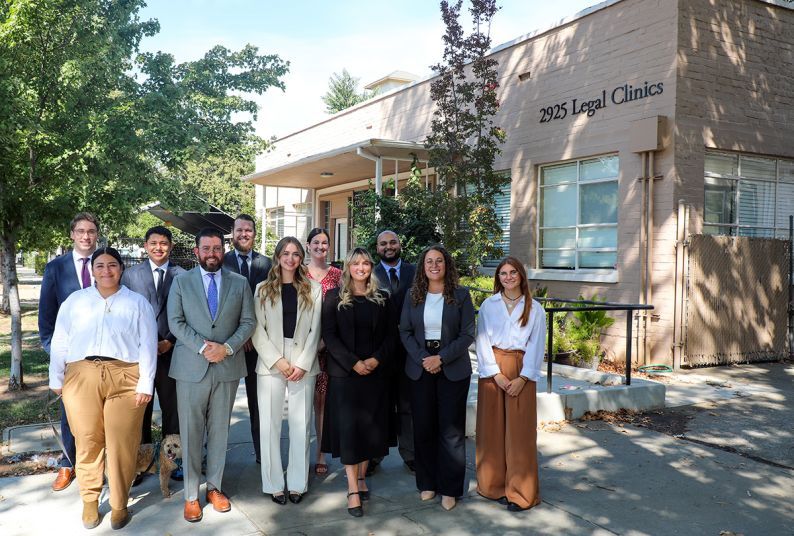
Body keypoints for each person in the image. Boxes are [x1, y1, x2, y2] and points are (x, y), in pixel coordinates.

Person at [49, 247, 157, 530]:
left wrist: (146, 382)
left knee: (122, 442)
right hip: (81, 375)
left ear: (121, 268)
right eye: (100, 265)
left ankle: (120, 503)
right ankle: (89, 500)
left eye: (112, 265)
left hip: (126, 376)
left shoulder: (137, 303)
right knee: (87, 440)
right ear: (92, 269)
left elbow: (148, 346)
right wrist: (56, 378)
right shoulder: (76, 301)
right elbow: (61, 339)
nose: (106, 270)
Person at [167, 228, 255, 523]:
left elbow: (248, 322)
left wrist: (227, 348)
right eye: (206, 249)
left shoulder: (240, 283)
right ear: (197, 252)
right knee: (191, 431)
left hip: (227, 367)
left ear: (223, 251)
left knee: (220, 431)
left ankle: (214, 488)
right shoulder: (181, 282)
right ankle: (191, 494)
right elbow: (175, 322)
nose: (212, 254)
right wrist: (205, 347)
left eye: (217, 249)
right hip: (192, 367)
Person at [321, 248, 396, 517]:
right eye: (356, 263)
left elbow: (391, 337)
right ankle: (352, 487)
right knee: (351, 433)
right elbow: (329, 336)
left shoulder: (383, 298)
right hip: (346, 375)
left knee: (369, 431)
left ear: (371, 267)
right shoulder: (333, 297)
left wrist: (375, 360)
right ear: (348, 267)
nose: (361, 268)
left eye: (365, 263)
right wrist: (354, 363)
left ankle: (362, 476)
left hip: (376, 376)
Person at [399, 245, 475, 511]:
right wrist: (424, 358)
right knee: (424, 428)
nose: (434, 265)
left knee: (451, 431)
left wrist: (440, 358)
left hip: (452, 367)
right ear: (423, 266)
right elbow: (405, 331)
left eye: (439, 261)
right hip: (420, 367)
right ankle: (427, 483)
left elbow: (467, 334)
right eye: (429, 261)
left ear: (447, 264)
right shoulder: (413, 295)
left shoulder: (462, 295)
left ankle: (450, 488)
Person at [251, 237, 322, 505]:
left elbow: (317, 328)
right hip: (271, 361)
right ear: (278, 256)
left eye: (295, 254)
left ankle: (297, 483)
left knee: (300, 424)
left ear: (301, 258)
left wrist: (303, 363)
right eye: (286, 253)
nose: (290, 258)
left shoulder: (313, 289)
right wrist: (278, 361)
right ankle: (272, 483)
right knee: (268, 424)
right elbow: (257, 329)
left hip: (303, 359)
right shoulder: (262, 288)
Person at [475, 257, 545, 512]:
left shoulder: (535, 308)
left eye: (513, 272)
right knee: (491, 430)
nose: (508, 277)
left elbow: (537, 346)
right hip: (493, 370)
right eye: (503, 273)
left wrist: (523, 378)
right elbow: (481, 341)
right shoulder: (488, 305)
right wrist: (496, 375)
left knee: (520, 434)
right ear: (498, 278)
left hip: (521, 369)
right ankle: (492, 486)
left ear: (521, 275)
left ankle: (520, 493)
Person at [39, 212, 99, 492]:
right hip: (71, 359)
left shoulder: (107, 264)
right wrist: (56, 356)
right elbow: (46, 319)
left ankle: (100, 464)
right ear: (72, 235)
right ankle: (68, 462)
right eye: (81, 231)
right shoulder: (56, 269)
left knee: (101, 416)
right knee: (70, 414)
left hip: (103, 357)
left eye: (91, 231)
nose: (86, 236)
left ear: (97, 235)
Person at [121, 226, 185, 477]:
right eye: (154, 243)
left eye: (164, 243)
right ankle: (142, 464)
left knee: (173, 412)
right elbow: (125, 315)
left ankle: (174, 463)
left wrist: (169, 340)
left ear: (171, 246)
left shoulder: (183, 275)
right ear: (145, 246)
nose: (159, 247)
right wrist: (145, 344)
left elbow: (187, 313)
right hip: (140, 356)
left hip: (172, 352)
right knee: (140, 413)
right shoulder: (130, 276)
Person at [222, 214, 272, 464]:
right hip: (229, 343)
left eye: (248, 230)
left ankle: (263, 454)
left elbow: (272, 304)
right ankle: (216, 456)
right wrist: (239, 337)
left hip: (259, 344)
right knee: (222, 404)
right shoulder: (221, 261)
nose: (244, 234)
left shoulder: (268, 264)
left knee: (258, 402)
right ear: (233, 233)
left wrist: (254, 335)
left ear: (254, 233)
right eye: (239, 230)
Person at [369, 230, 416, 475]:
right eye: (383, 243)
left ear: (400, 244)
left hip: (410, 351)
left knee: (407, 405)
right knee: (380, 404)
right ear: (377, 248)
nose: (389, 247)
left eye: (393, 242)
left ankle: (411, 455)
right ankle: (374, 456)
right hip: (380, 351)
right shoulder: (370, 273)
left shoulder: (416, 271)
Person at [304, 227, 342, 475]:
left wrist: (327, 341)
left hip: (329, 347)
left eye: (324, 242)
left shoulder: (338, 275)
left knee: (322, 401)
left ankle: (320, 453)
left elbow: (343, 309)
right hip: (301, 345)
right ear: (308, 246)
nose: (320, 246)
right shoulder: (298, 272)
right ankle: (300, 452)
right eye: (315, 242)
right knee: (302, 403)